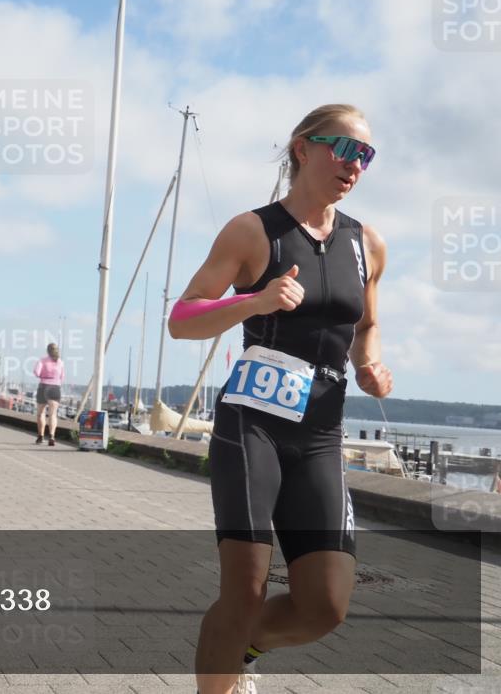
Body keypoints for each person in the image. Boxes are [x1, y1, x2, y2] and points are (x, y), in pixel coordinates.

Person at [167, 104, 393, 694]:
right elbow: (183, 318)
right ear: (303, 149)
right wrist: (254, 301)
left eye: (365, 156)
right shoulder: (252, 230)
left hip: (320, 432)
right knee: (244, 588)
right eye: (345, 150)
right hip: (253, 426)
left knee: (325, 605)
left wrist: (368, 365)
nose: (355, 166)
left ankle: (235, 648)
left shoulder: (366, 243)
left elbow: (366, 324)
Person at [33, 342, 64, 445]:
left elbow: (36, 373)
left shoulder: (42, 360)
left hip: (43, 387)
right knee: (53, 414)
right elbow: (62, 377)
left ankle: (40, 436)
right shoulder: (60, 362)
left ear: (47, 350)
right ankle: (52, 436)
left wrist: (43, 375)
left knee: (40, 413)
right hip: (55, 388)